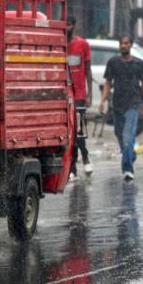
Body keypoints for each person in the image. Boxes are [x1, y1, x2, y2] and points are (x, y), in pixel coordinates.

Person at [99, 35, 143, 181]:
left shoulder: (139, 64)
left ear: (131, 45)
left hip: (133, 105)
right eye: (121, 43)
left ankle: (128, 169)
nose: (123, 46)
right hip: (117, 105)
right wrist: (103, 101)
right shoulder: (113, 63)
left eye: (126, 43)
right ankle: (131, 155)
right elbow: (108, 83)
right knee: (119, 135)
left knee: (128, 136)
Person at [66, 14, 93, 181]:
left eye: (69, 25)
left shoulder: (83, 44)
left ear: (74, 26)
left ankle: (85, 156)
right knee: (69, 133)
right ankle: (72, 167)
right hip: (65, 95)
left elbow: (88, 70)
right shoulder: (59, 45)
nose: (66, 28)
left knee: (80, 130)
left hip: (79, 94)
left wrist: (89, 93)